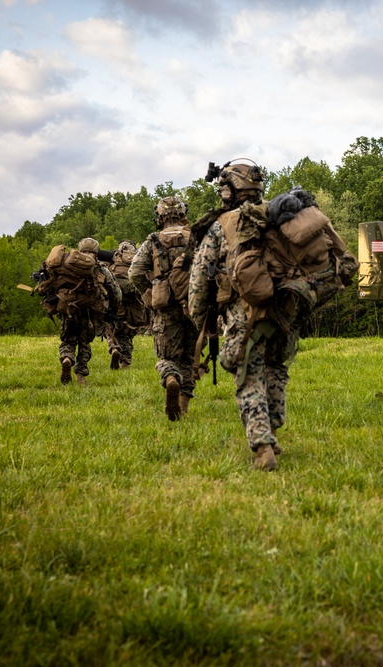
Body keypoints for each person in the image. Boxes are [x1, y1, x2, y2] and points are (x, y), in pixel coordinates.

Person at [187, 160, 291, 471]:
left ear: (232, 189)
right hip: (284, 314)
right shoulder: (281, 217)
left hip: (243, 315)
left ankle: (262, 445)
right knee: (275, 370)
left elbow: (198, 280)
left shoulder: (224, 225)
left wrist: (198, 320)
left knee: (249, 376)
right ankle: (273, 429)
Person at [128, 196, 199, 420]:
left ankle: (170, 378)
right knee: (189, 359)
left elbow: (135, 273)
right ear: (183, 213)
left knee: (167, 357)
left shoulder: (153, 241)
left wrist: (149, 293)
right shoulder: (197, 237)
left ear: (159, 217)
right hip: (194, 306)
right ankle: (183, 407)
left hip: (165, 307)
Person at [36, 237, 121, 385]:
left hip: (67, 307)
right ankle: (81, 376)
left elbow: (46, 283)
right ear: (97, 252)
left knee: (68, 340)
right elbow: (115, 293)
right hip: (90, 311)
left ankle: (67, 359)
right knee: (84, 343)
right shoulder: (100, 269)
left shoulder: (65, 264)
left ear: (79, 249)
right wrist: (113, 309)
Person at [103, 240, 148, 369]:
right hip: (134, 303)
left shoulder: (113, 257)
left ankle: (114, 348)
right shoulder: (139, 256)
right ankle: (125, 362)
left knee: (112, 328)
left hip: (118, 300)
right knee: (128, 333)